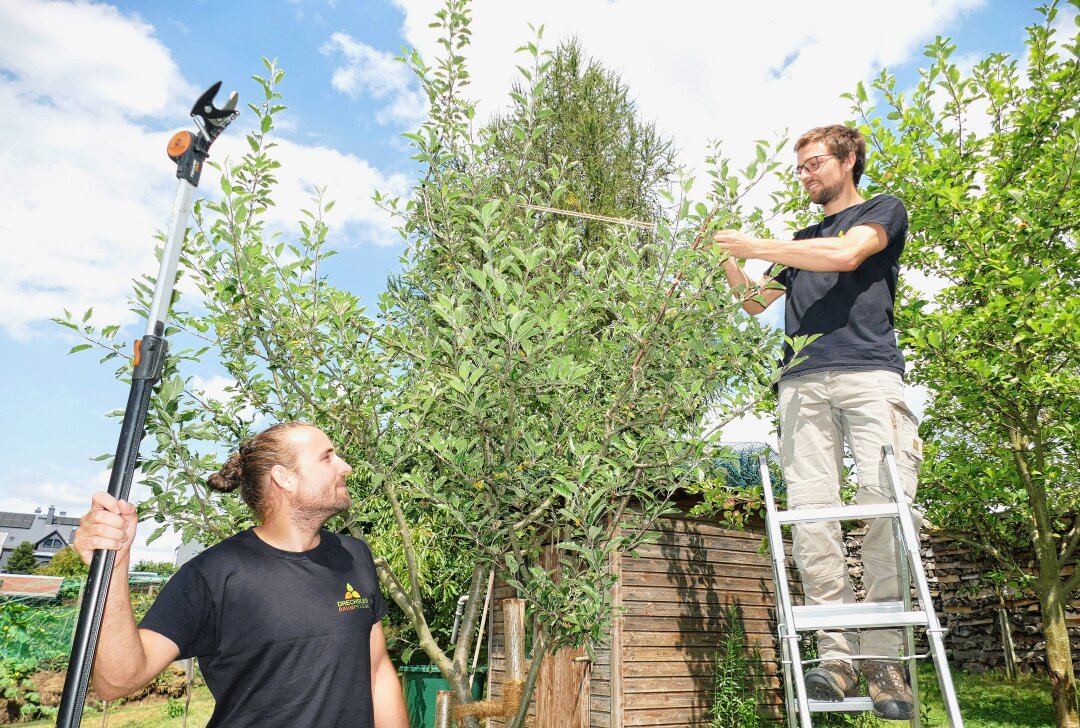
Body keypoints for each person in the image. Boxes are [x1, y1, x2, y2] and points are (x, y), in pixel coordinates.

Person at [713, 125, 922, 720]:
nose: (805, 175)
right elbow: (755, 303)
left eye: (814, 164)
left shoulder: (882, 211)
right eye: (799, 168)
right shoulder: (801, 239)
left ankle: (883, 661)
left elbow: (846, 254)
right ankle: (835, 657)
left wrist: (756, 243)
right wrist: (733, 261)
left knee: (885, 507)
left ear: (848, 160)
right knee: (811, 518)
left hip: (868, 376)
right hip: (801, 383)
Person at [73, 422, 409, 728]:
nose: (345, 466)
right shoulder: (215, 573)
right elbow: (116, 681)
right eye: (327, 458)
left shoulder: (353, 556)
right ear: (284, 477)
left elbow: (377, 670)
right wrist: (114, 570)